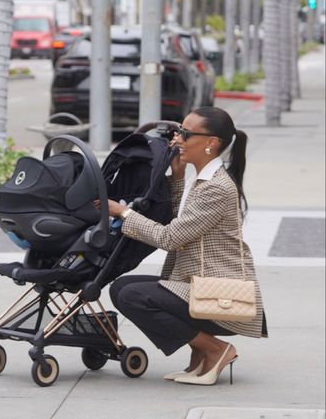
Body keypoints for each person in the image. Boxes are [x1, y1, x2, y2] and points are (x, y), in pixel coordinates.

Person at [105, 106, 267, 385]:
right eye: (178, 130)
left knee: (134, 296)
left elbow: (170, 237)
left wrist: (123, 213)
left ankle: (216, 350)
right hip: (196, 285)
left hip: (221, 296)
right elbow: (186, 220)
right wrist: (178, 179)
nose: (177, 138)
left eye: (186, 133)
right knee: (121, 288)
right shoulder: (202, 179)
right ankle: (200, 357)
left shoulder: (217, 187)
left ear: (211, 143)